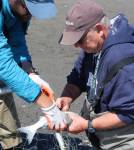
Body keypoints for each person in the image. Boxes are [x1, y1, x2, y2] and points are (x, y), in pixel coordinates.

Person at [0, 0, 67, 149]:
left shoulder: (19, 11)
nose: (29, 15)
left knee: (0, 97)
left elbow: (17, 41)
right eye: (28, 8)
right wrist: (46, 104)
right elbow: (3, 65)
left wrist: (30, 73)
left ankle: (12, 144)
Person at [55, 0, 134, 149]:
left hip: (125, 136)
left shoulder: (123, 61)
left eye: (79, 39)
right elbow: (78, 76)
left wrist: (87, 124)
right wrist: (67, 97)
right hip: (101, 131)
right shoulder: (93, 47)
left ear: (99, 29)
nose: (76, 45)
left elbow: (129, 113)